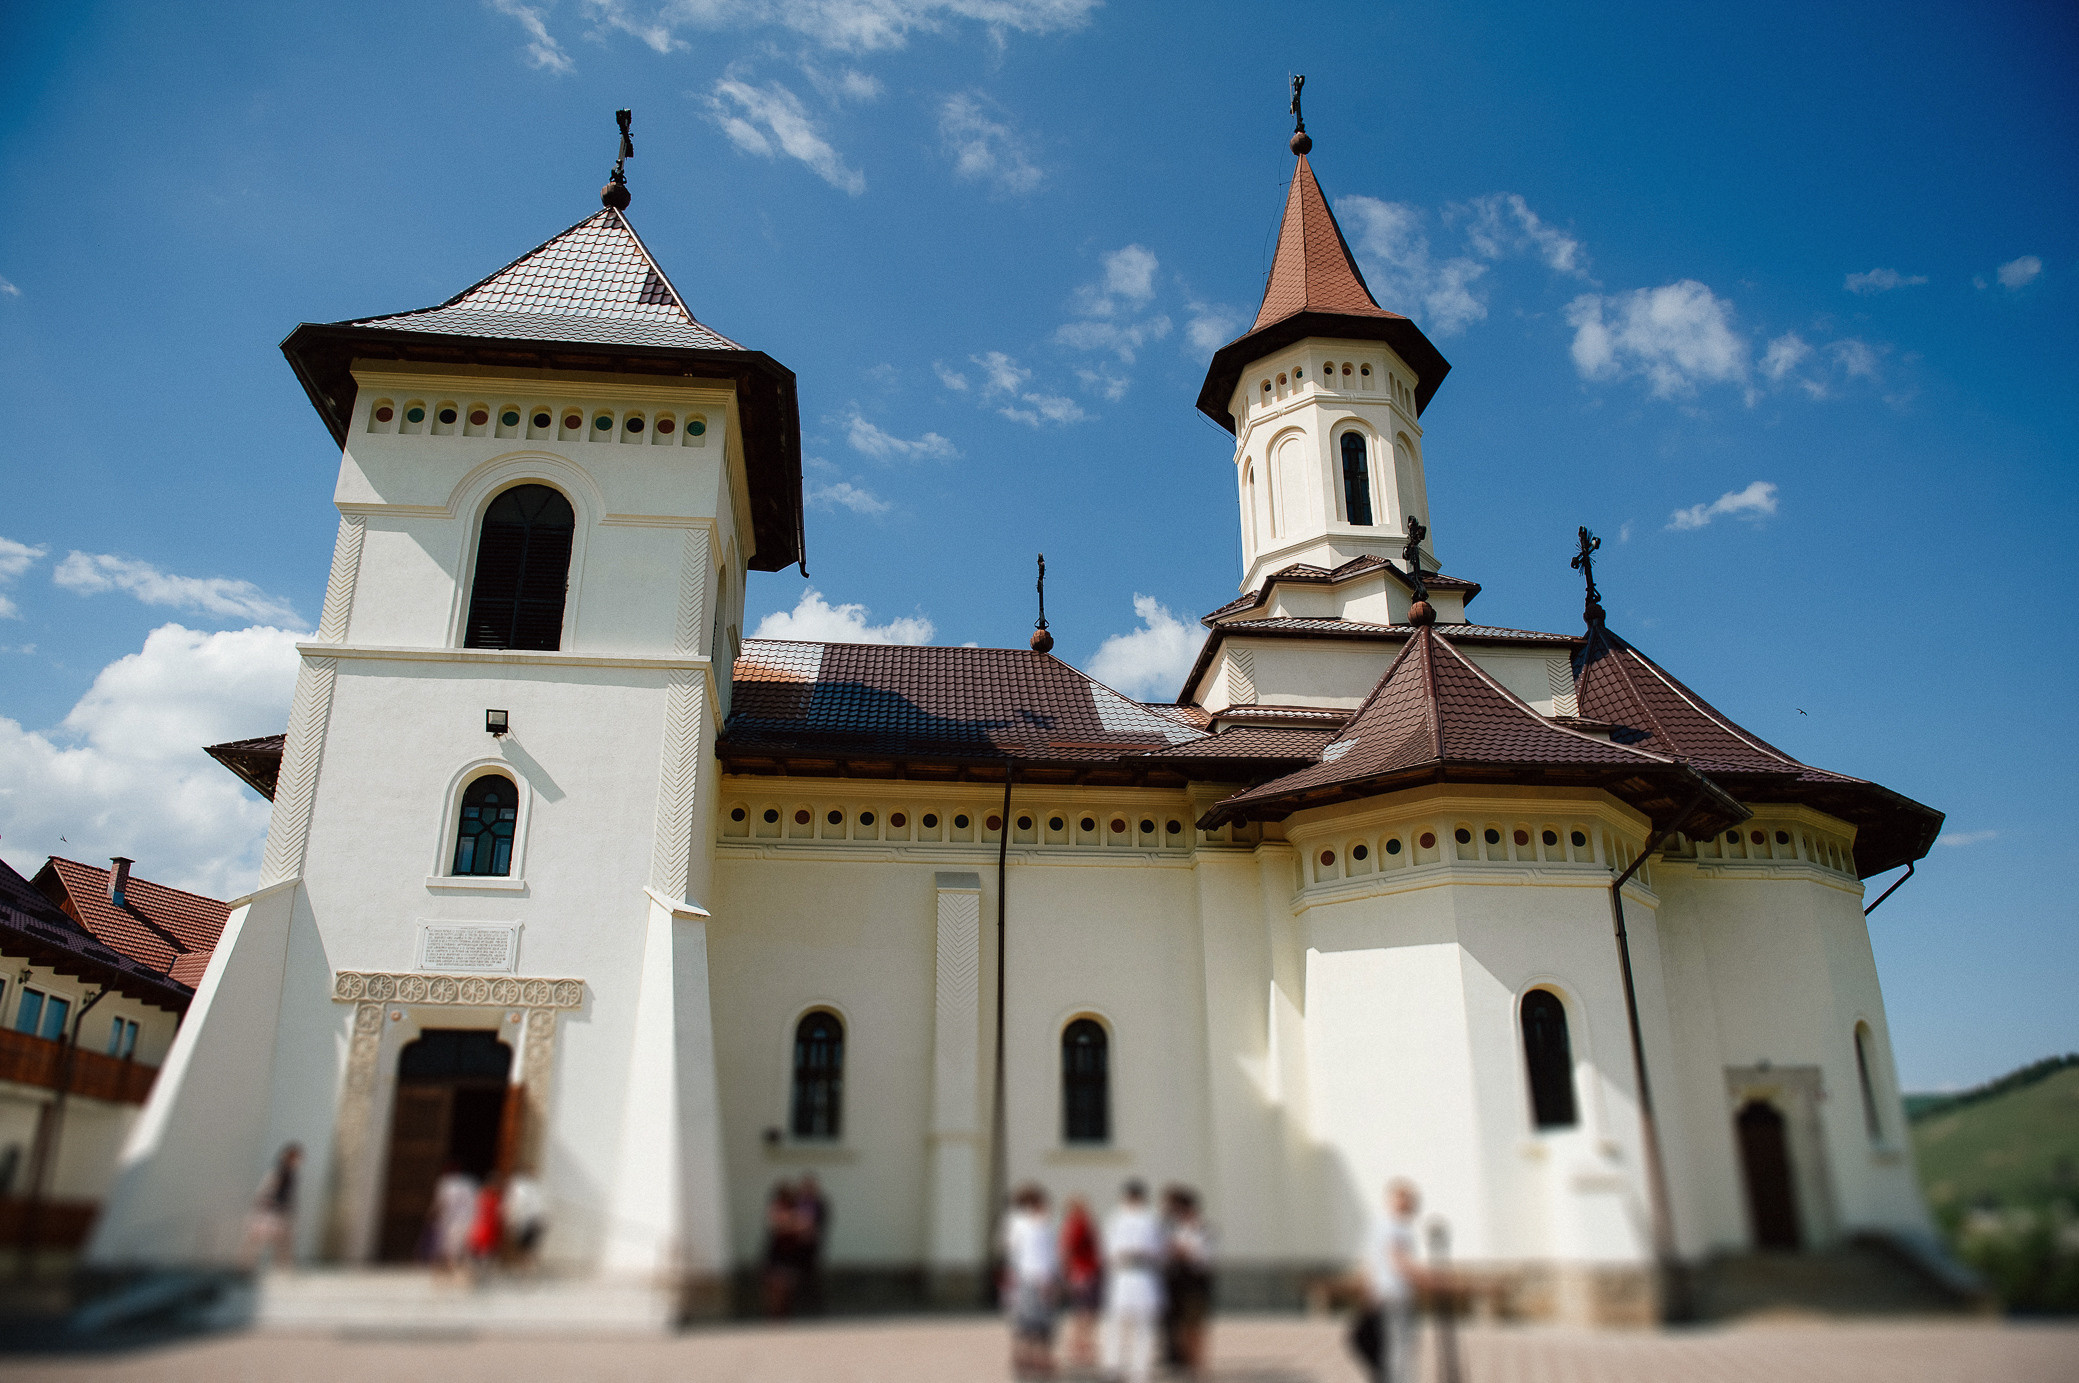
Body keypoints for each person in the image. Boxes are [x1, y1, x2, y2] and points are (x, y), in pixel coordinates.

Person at [1350, 1179, 1427, 1383]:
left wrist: (1369, 1292)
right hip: (1396, 1294)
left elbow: (1371, 1264)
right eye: (1404, 1198)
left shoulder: (1381, 1225)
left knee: (1390, 1346)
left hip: (1385, 1294)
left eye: (1410, 1199)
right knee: (1400, 1347)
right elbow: (1398, 1261)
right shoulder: (1396, 1226)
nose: (1408, 1203)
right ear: (1393, 1200)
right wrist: (1427, 1279)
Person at [1099, 1180, 1164, 1383]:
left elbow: (1159, 1249)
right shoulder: (1116, 1218)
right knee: (1116, 1323)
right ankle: (1113, 1366)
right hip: (1123, 1273)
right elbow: (1107, 1249)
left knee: (1143, 1325)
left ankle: (1139, 1370)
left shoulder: (1150, 1218)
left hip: (1143, 1273)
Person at [1001, 1183, 1059, 1379]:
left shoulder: (1030, 1222)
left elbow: (1011, 1247)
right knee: (1031, 1319)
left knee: (1032, 1319)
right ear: (1035, 1203)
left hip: (1030, 1276)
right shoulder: (1025, 1222)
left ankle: (1030, 1356)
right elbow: (1016, 1249)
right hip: (1030, 1276)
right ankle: (1030, 1356)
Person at [1162, 1186, 1215, 1379]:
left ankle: (1196, 1365)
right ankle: (1184, 1363)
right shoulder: (1176, 1228)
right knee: (1179, 1327)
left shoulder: (1202, 1228)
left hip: (1195, 1283)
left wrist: (1182, 1252)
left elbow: (1203, 1258)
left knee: (1194, 1326)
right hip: (1177, 1283)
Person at [1058, 1196, 1103, 1370]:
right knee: (1086, 1310)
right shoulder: (1079, 1224)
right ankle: (1081, 1345)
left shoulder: (1074, 1224)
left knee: (1083, 1309)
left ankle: (1081, 1344)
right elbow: (1068, 1250)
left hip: (1082, 1271)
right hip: (1085, 1272)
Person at [240, 1142, 302, 1270]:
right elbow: (266, 1190)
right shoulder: (278, 1172)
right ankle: (244, 1267)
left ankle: (283, 1269)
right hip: (270, 1213)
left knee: (284, 1242)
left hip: (280, 1213)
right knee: (256, 1240)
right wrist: (263, 1207)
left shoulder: (290, 1175)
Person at [761, 1181, 811, 1316]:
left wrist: (791, 1222)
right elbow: (779, 1223)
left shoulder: (796, 1208)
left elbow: (805, 1225)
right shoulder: (777, 1207)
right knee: (776, 1285)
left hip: (791, 1252)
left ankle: (784, 1313)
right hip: (778, 1252)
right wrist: (792, 1222)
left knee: (787, 1285)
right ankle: (775, 1314)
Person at [429, 1162, 480, 1281]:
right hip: (466, 1220)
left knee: (448, 1248)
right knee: (461, 1247)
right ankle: (457, 1273)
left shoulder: (445, 1183)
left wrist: (432, 1215)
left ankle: (453, 1274)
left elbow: (441, 1202)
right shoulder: (470, 1184)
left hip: (449, 1220)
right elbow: (475, 1202)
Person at [797, 1171, 830, 1314]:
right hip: (797, 1244)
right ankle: (800, 1304)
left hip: (813, 1244)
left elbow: (822, 1222)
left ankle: (816, 1306)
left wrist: (811, 1232)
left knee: (813, 1274)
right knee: (799, 1274)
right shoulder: (798, 1202)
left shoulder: (819, 1202)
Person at [502, 1170, 548, 1270]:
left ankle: (525, 1268)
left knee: (524, 1246)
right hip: (536, 1219)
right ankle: (527, 1268)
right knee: (528, 1247)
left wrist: (511, 1220)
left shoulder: (519, 1188)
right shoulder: (532, 1187)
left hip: (527, 1220)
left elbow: (517, 1204)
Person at [467, 1174, 505, 1278]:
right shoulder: (486, 1197)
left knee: (484, 1251)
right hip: (484, 1226)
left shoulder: (492, 1198)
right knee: (481, 1250)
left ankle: (480, 1273)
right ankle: (477, 1273)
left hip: (488, 1227)